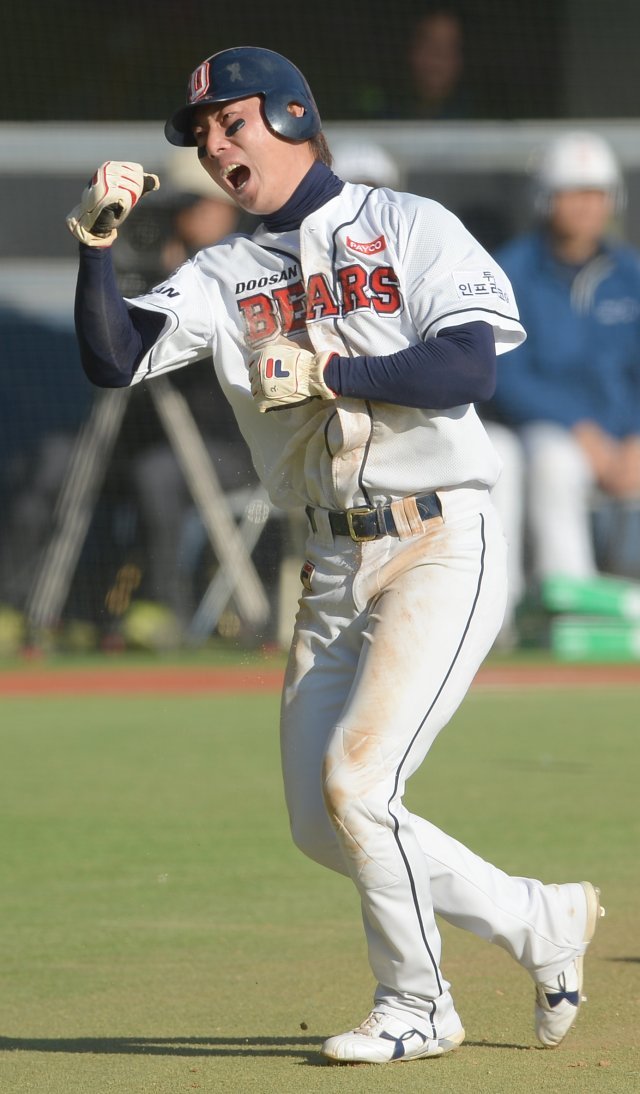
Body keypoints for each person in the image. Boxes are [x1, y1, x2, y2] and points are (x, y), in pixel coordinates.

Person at [66, 47, 603, 1064]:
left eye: (233, 122)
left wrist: (331, 366)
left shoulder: (407, 224)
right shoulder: (222, 271)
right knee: (324, 823)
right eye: (201, 134)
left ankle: (418, 1002)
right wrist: (98, 243)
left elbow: (467, 362)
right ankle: (537, 920)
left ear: (294, 113)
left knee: (358, 786)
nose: (215, 145)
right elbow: (111, 356)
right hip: (328, 565)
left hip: (440, 538)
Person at [485, 130, 640, 625]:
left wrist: (636, 438)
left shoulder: (630, 273)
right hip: (547, 433)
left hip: (626, 438)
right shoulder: (510, 271)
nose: (586, 207)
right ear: (546, 199)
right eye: (573, 193)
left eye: (595, 194)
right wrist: (579, 427)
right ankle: (566, 611)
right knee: (553, 459)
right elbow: (505, 377)